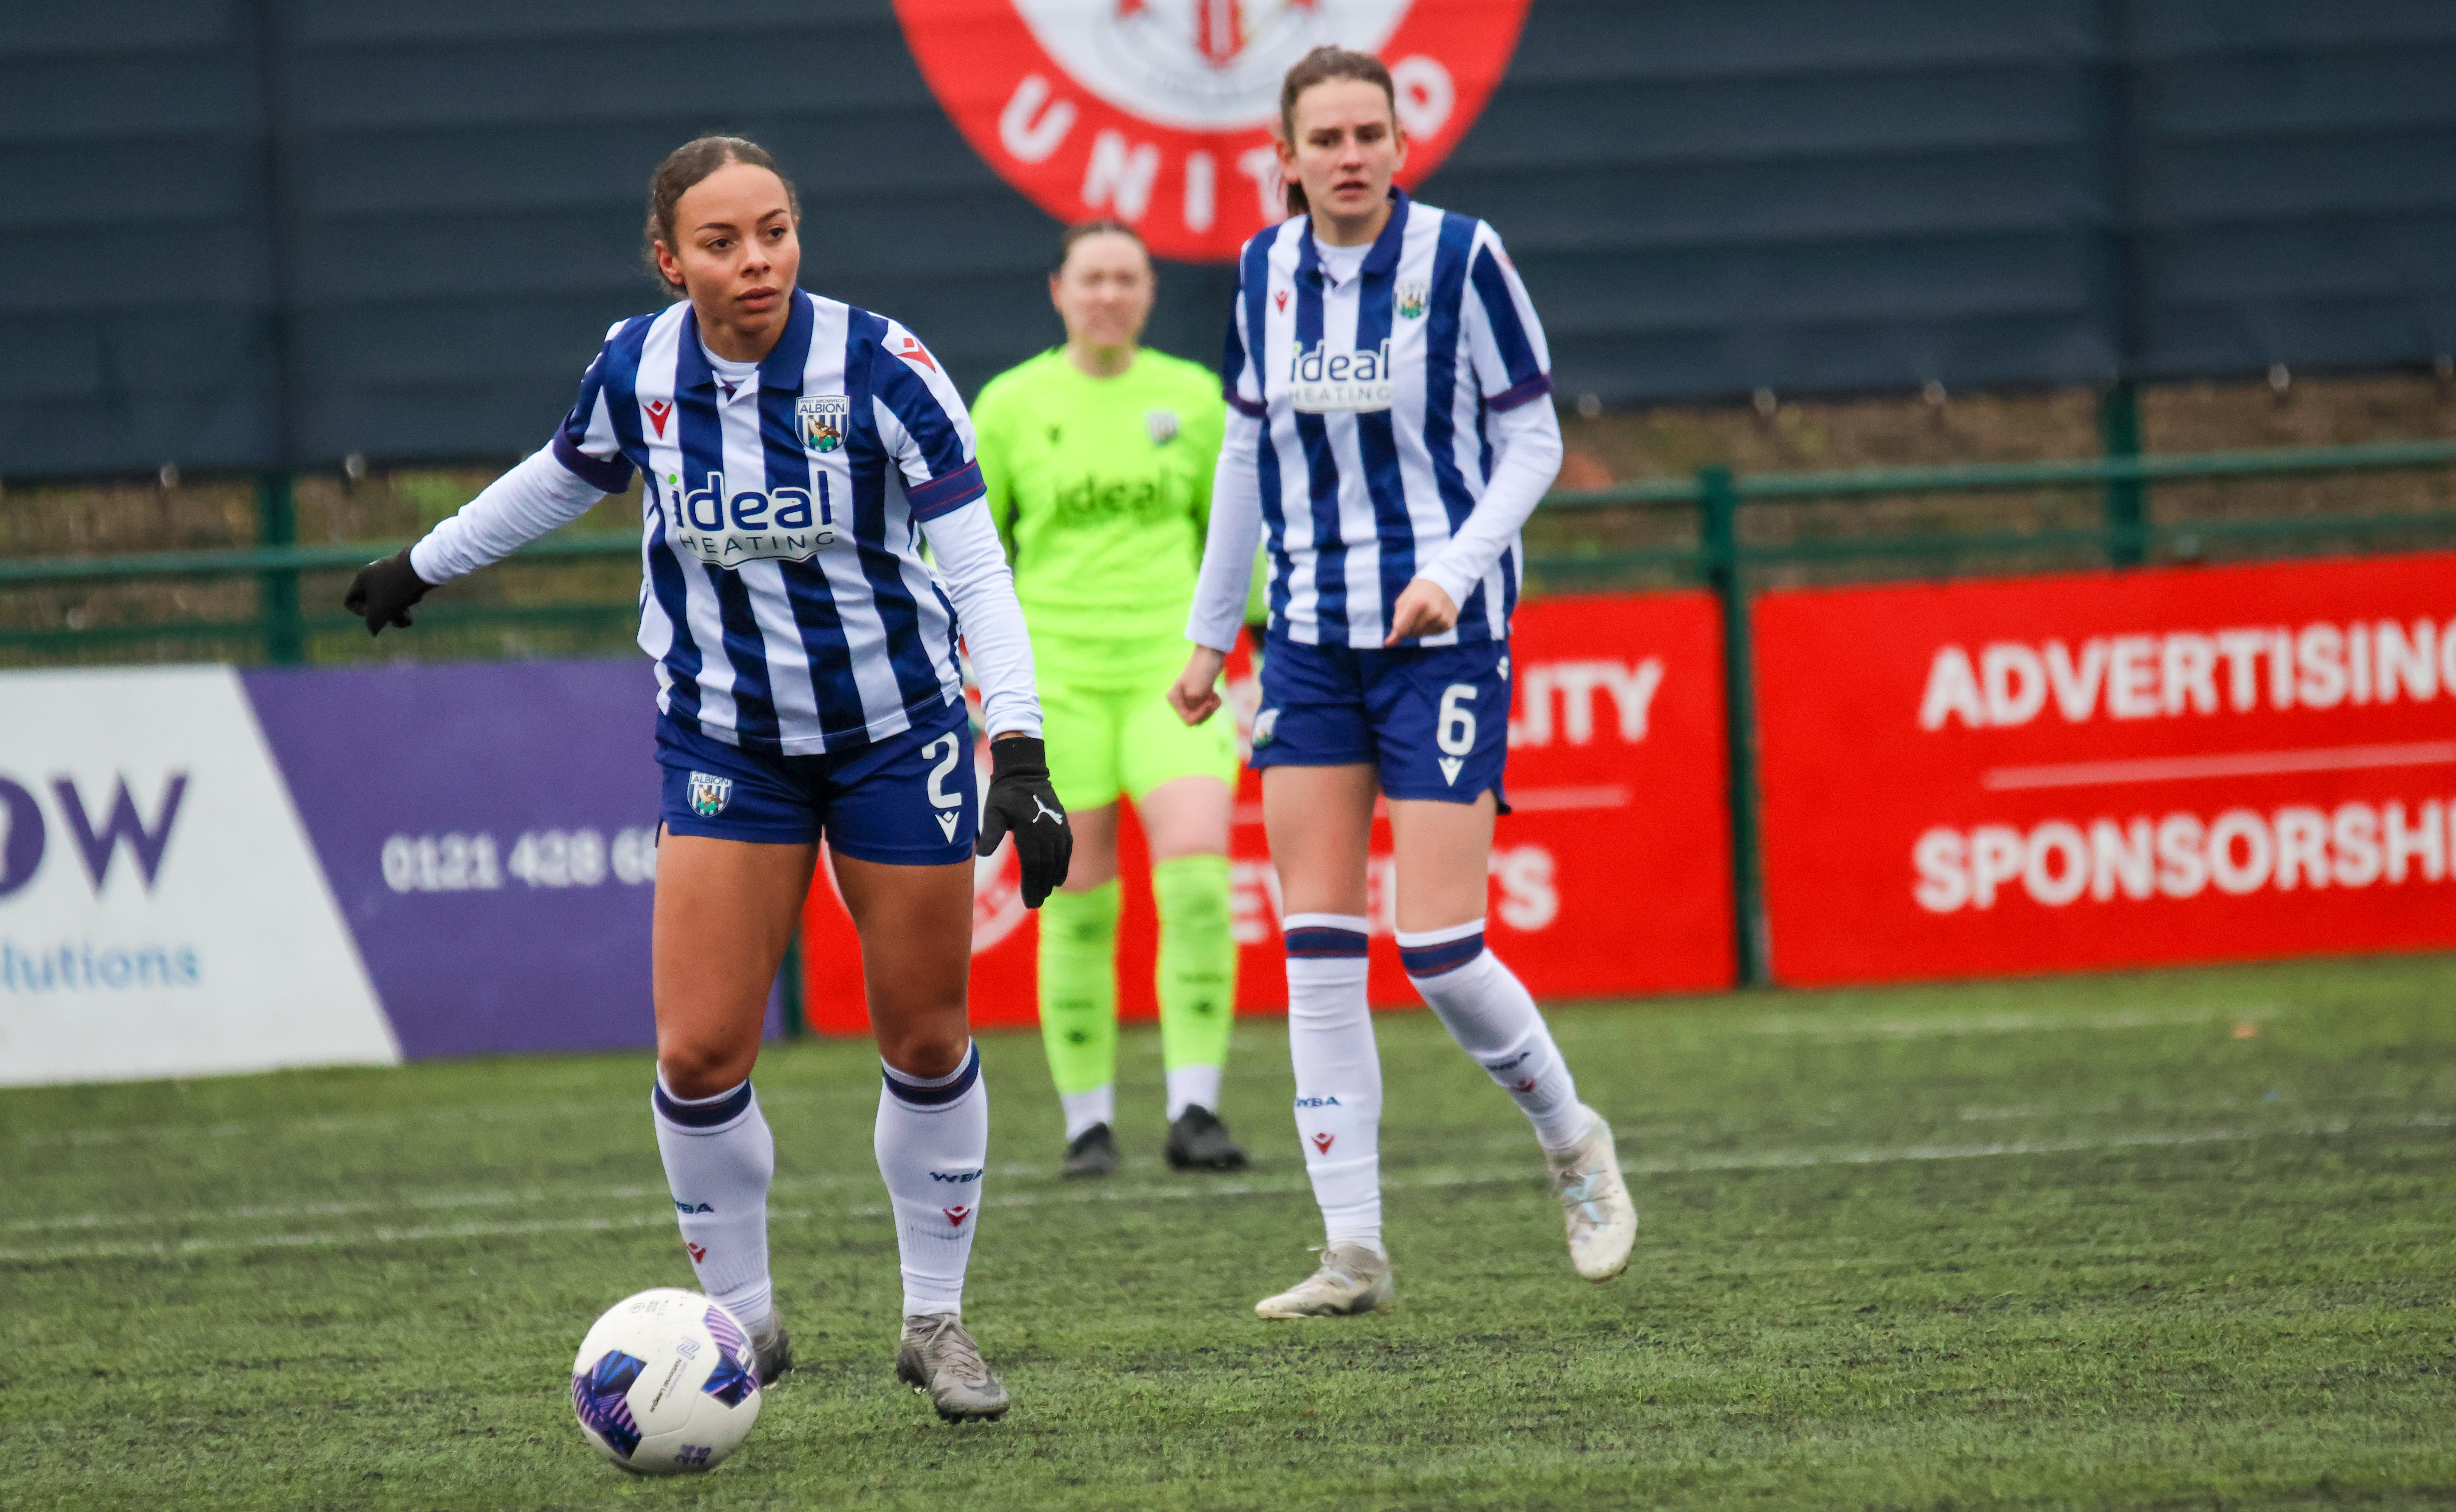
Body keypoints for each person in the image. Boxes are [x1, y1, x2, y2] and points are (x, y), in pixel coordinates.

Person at [343, 135, 1072, 1419]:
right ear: (670, 260)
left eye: (775, 232)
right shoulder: (640, 367)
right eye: (724, 243)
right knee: (695, 1052)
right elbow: (560, 477)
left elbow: (976, 567)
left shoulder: (884, 367)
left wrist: (1017, 745)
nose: (757, 263)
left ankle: (934, 1323)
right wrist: (426, 563)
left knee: (925, 1033)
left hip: (896, 736)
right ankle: (739, 1321)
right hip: (727, 740)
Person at [1169, 49, 1635, 1318]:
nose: (1352, 155)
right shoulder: (1265, 274)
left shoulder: (1464, 259)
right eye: (1327, 138)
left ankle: (1571, 1141)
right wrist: (1215, 640)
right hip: (1308, 646)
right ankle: (1354, 1252)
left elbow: (1535, 436)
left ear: (1398, 141)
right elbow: (1247, 462)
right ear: (1288, 155)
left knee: (1435, 945)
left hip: (1446, 640)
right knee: (1318, 953)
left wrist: (1454, 567)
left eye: (1371, 132)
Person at [970, 220, 1251, 1181]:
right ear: (1060, 289)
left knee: (1200, 888)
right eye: (1091, 278)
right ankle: (1089, 1126)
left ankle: (1195, 1112)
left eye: (1125, 278)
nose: (1107, 295)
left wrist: (1241, 648)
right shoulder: (1010, 405)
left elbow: (1235, 541)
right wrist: (989, 679)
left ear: (1148, 290)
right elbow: (968, 551)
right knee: (1078, 907)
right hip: (1060, 688)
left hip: (1173, 684)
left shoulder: (1193, 398)